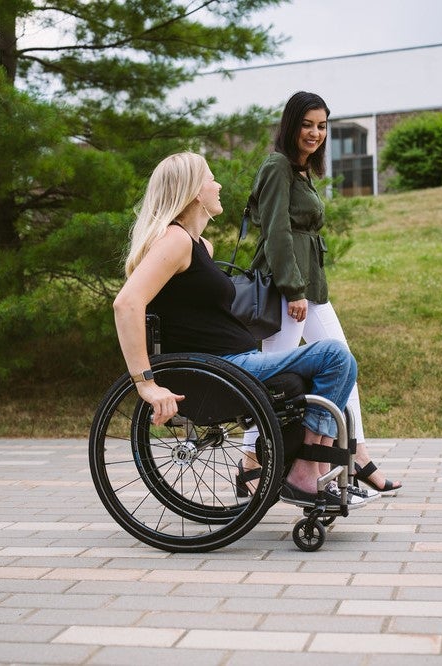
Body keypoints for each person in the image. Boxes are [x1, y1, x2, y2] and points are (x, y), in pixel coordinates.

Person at [112, 151, 366, 508]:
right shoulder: (176, 241)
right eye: (210, 178)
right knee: (336, 356)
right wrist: (146, 383)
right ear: (194, 192)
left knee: (337, 363)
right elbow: (126, 304)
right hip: (219, 369)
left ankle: (310, 466)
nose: (218, 185)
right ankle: (306, 471)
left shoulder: (199, 244)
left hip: (234, 362)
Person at [243, 90, 402, 495]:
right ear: (291, 124)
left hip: (311, 288)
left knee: (344, 364)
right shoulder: (277, 166)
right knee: (271, 380)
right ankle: (249, 460)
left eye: (322, 126)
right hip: (287, 291)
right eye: (308, 124)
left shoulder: (300, 170)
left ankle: (357, 452)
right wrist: (294, 290)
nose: (315, 133)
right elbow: (276, 232)